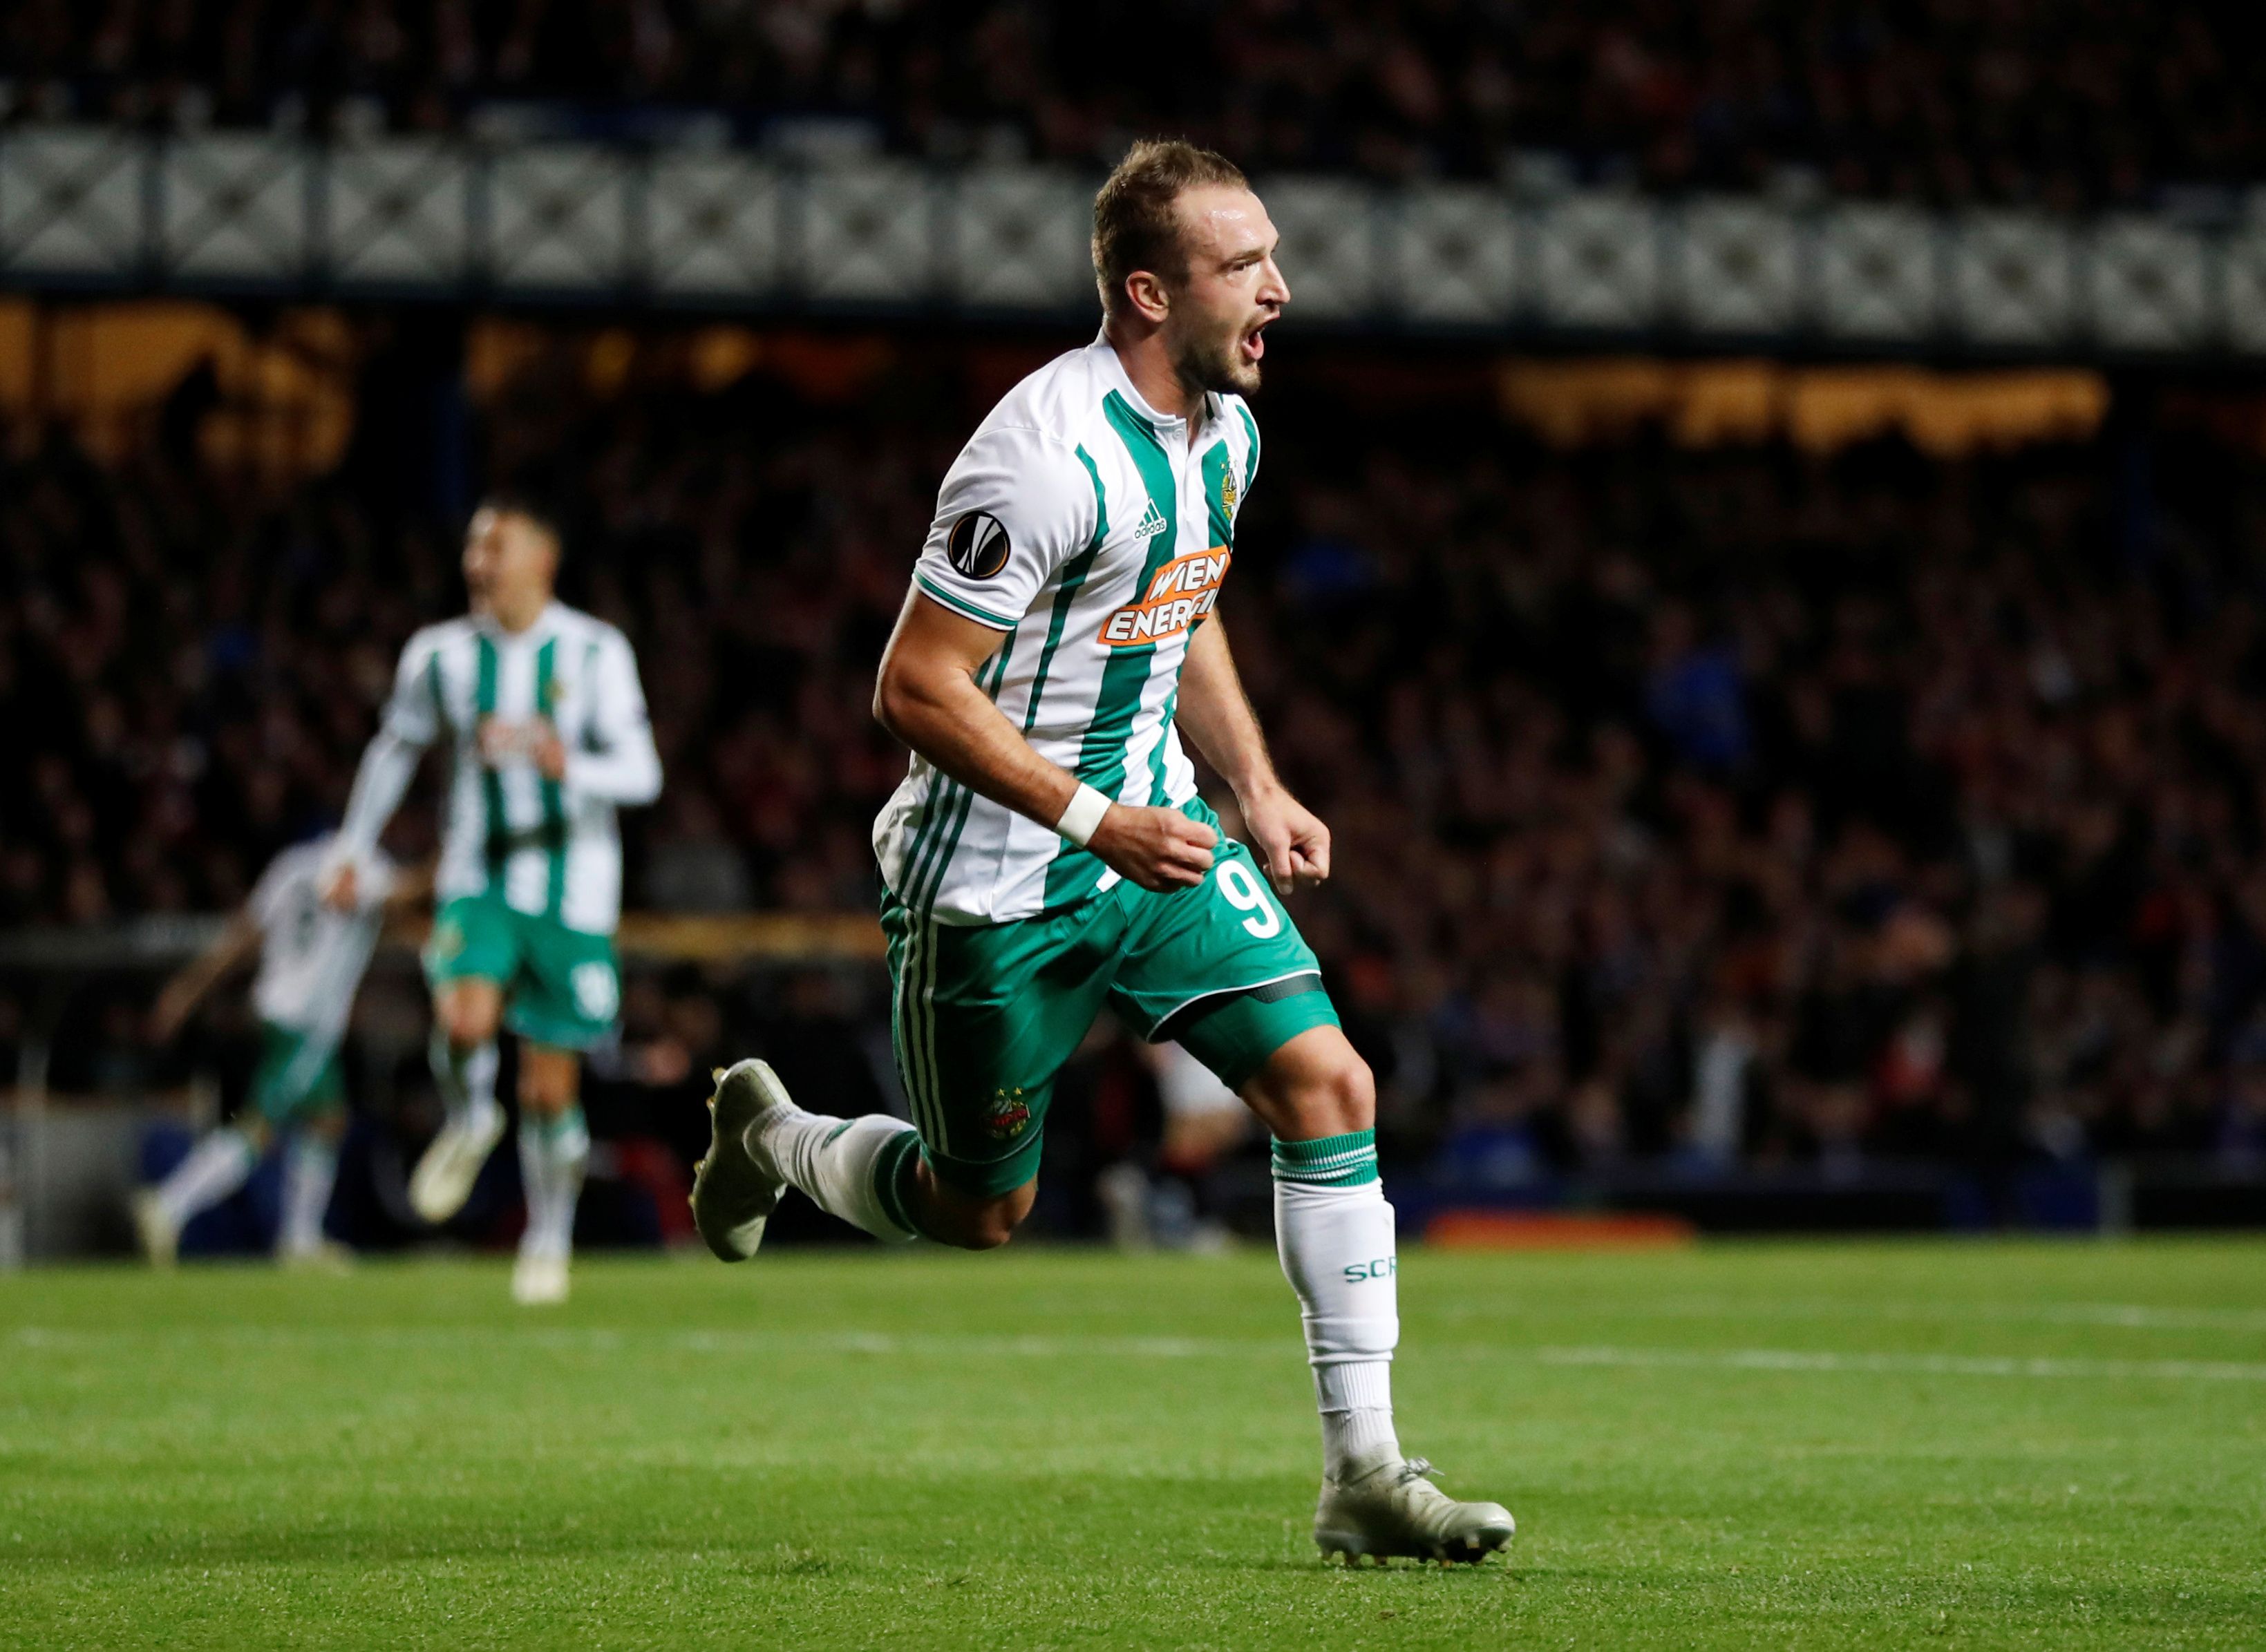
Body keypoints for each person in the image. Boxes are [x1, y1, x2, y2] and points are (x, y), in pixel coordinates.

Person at [689, 140, 1514, 1564]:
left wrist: (1251, 783)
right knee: (977, 1207)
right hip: (997, 884)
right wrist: (1092, 819)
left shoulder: (1226, 434)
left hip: (1160, 842)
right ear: (1147, 292)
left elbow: (1180, 603)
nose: (1280, 289)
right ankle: (774, 1138)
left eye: (1272, 257)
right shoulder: (1037, 453)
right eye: (1242, 265)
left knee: (1328, 1083)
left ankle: (1365, 1472)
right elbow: (914, 686)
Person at [326, 494, 662, 1304]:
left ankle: (548, 1237)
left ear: (542, 561)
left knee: (548, 1089)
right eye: (473, 548)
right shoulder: (439, 655)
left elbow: (643, 774)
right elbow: (394, 750)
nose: (478, 563)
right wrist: (352, 848)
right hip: (477, 877)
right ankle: (471, 1114)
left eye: (495, 548)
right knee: (464, 1020)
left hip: (573, 892)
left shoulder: (595, 650)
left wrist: (570, 768)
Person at [133, 836, 426, 1266]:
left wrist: (187, 989)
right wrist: (453, 861)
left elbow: (246, 932)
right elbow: (403, 898)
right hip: (307, 1019)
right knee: (261, 1126)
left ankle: (300, 1240)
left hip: (280, 1009)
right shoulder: (362, 866)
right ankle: (168, 1205)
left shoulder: (292, 864)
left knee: (327, 1120)